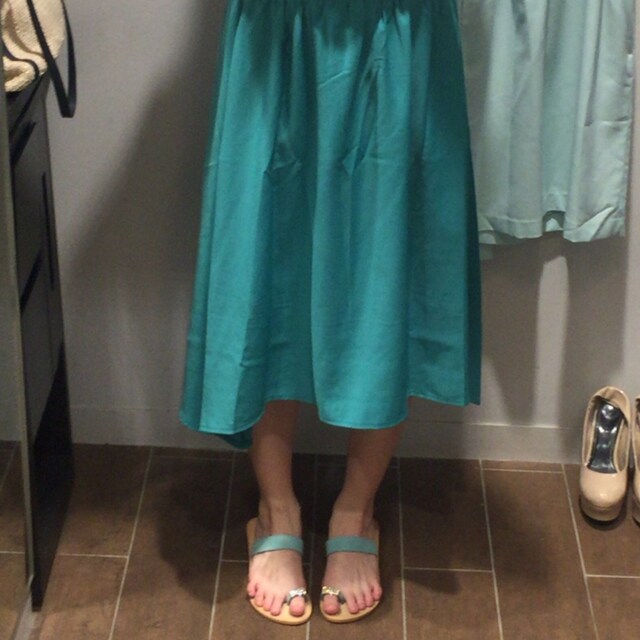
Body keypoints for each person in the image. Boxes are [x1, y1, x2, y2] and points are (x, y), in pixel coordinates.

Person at [180, 0, 481, 625]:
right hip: (274, 31)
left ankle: (356, 510)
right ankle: (277, 508)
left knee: (388, 267)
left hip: (401, 23)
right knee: (266, 264)